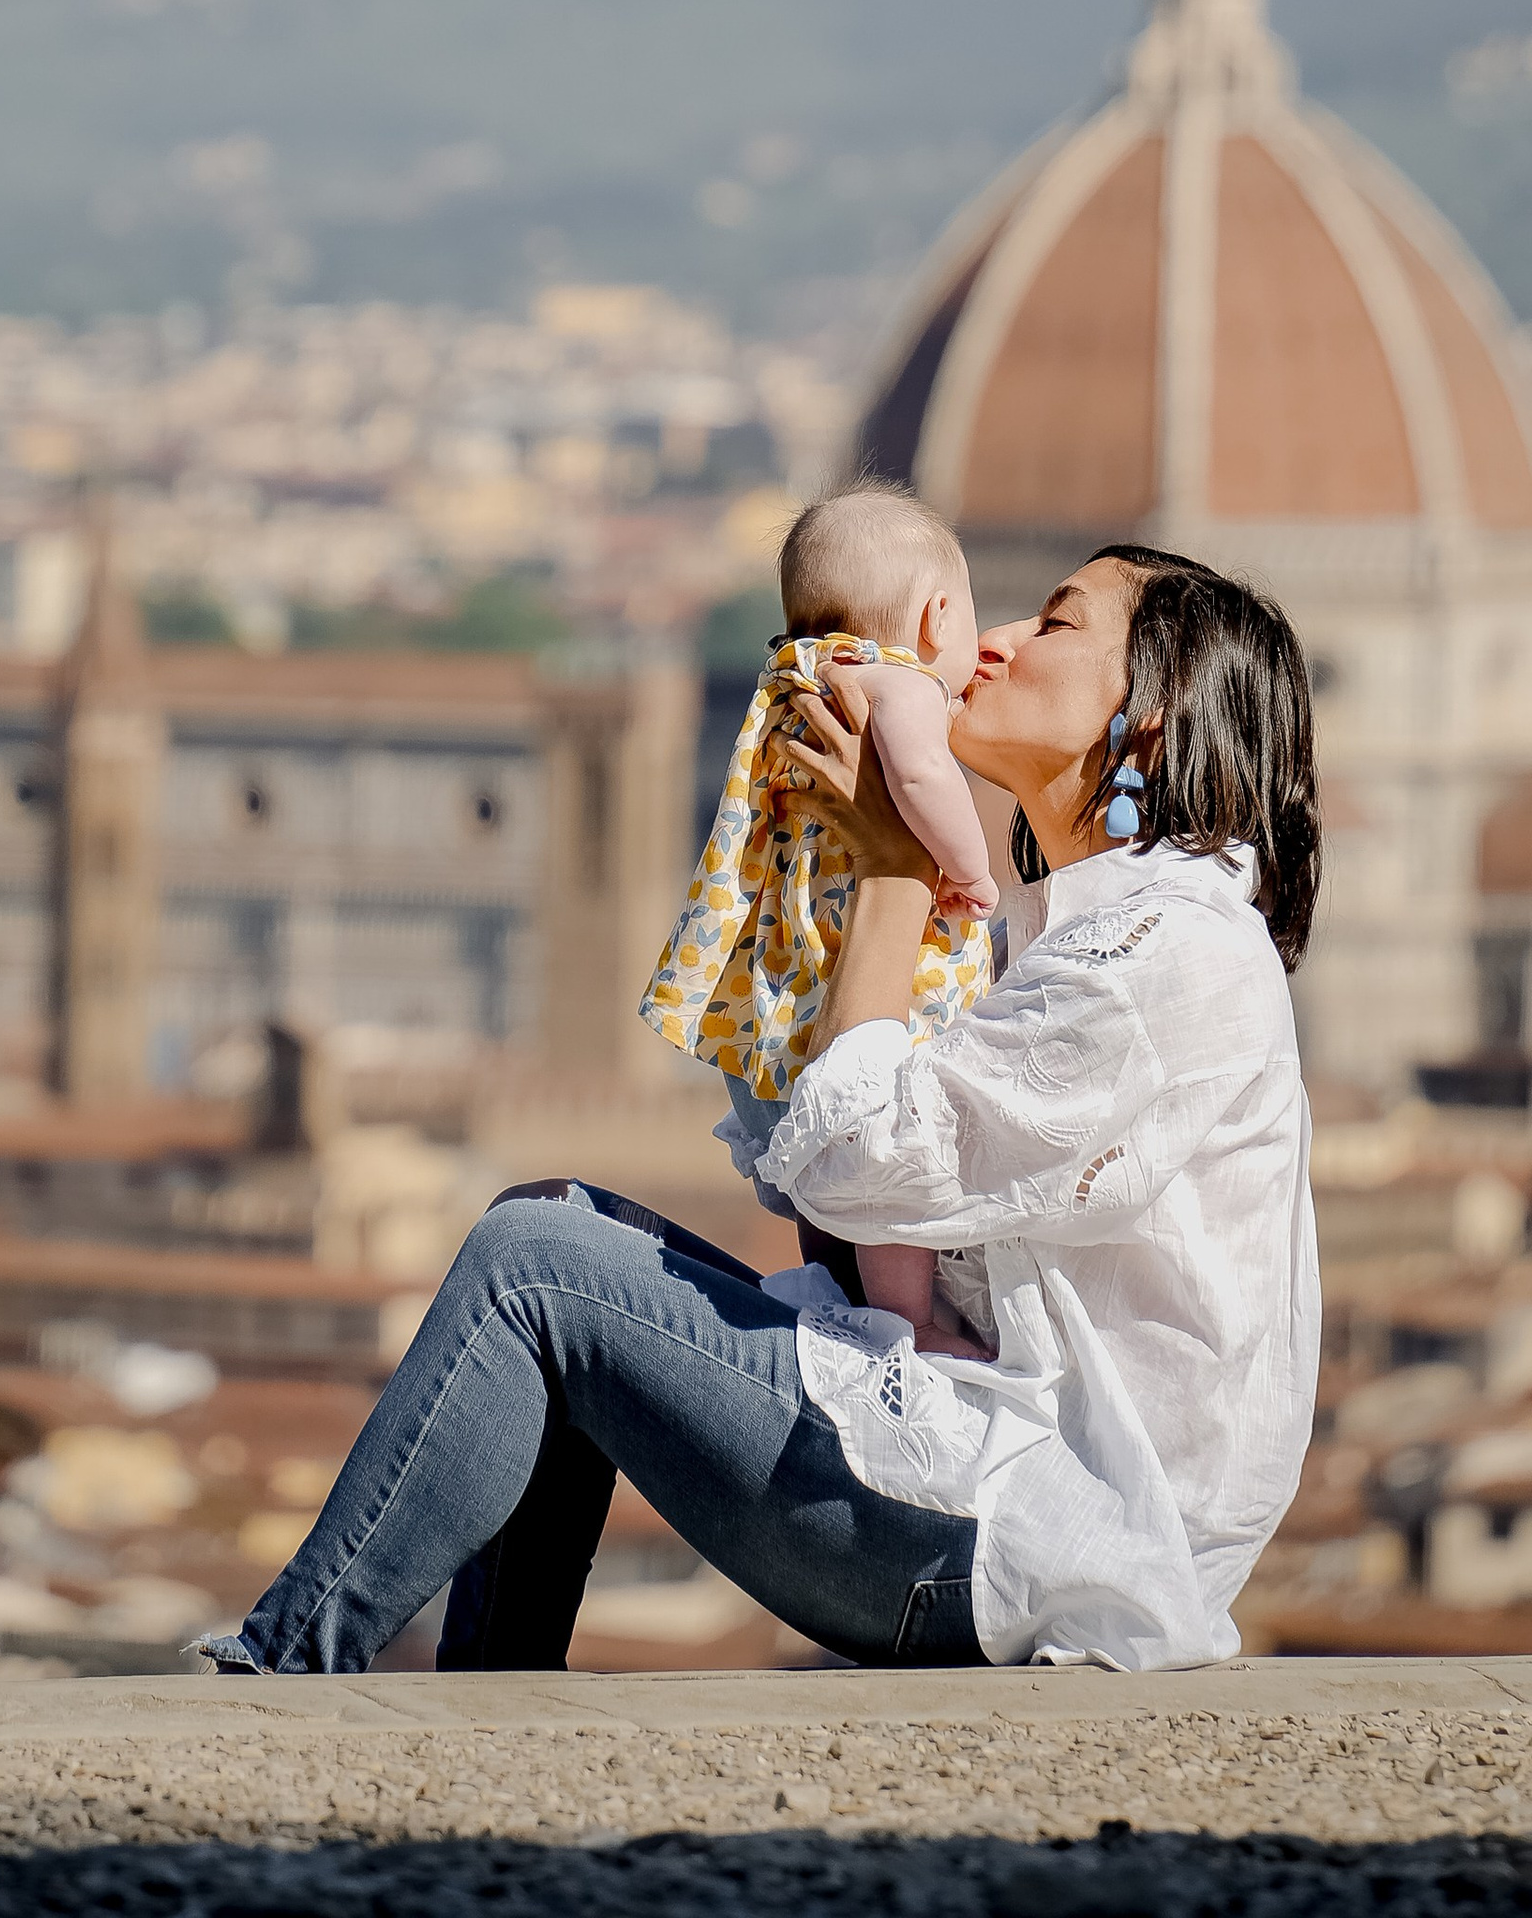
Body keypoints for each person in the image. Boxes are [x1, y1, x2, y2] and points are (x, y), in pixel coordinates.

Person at [194, 541, 1319, 1676]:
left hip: (1035, 1539)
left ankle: (279, 1673)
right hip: (993, 1494)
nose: (996, 642)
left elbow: (852, 1163)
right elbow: (835, 1198)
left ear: (1159, 710)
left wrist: (888, 865)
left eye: (1056, 625)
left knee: (533, 1268)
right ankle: (486, 1696)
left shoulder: (1160, 949)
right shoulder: (1062, 938)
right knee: (555, 1218)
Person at [638, 478, 998, 1352]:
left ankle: (830, 1291)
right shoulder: (898, 687)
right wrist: (970, 868)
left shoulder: (791, 685)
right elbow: (916, 781)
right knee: (887, 1164)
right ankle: (906, 1323)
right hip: (883, 982)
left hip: (791, 982)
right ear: (935, 618)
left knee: (812, 1166)